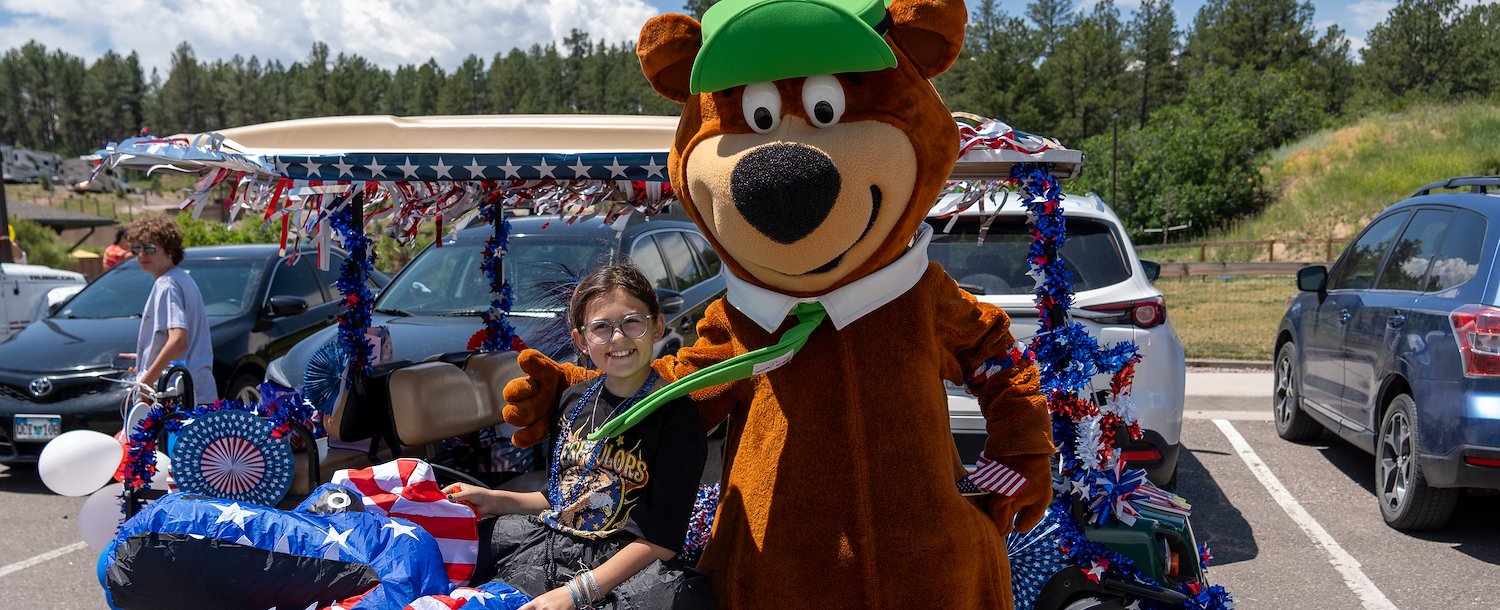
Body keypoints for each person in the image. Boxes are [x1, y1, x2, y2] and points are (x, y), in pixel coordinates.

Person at [446, 263, 711, 610]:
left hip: (622, 569)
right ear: (581, 340)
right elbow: (562, 497)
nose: (617, 338)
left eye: (632, 321)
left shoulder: (677, 415)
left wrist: (573, 594)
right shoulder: (574, 399)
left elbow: (661, 540)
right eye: (601, 327)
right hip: (549, 546)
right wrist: (495, 499)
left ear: (657, 325)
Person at [121, 218, 216, 405]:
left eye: (149, 249)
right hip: (195, 392)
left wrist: (145, 382)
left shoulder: (167, 284)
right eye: (136, 249)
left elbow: (179, 341)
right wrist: (147, 357)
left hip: (176, 397)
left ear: (170, 250)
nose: (141, 255)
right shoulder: (181, 278)